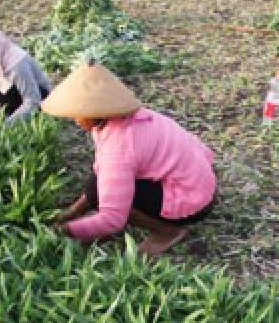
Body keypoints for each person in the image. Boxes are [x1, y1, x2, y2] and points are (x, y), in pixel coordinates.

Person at [41, 64, 217, 256]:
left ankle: (167, 231)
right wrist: (73, 212)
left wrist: (61, 233)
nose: (75, 119)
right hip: (198, 181)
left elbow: (112, 220)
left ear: (96, 113)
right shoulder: (126, 117)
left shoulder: (119, 146)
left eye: (79, 112)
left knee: (101, 195)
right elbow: (102, 170)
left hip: (191, 200)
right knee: (96, 188)